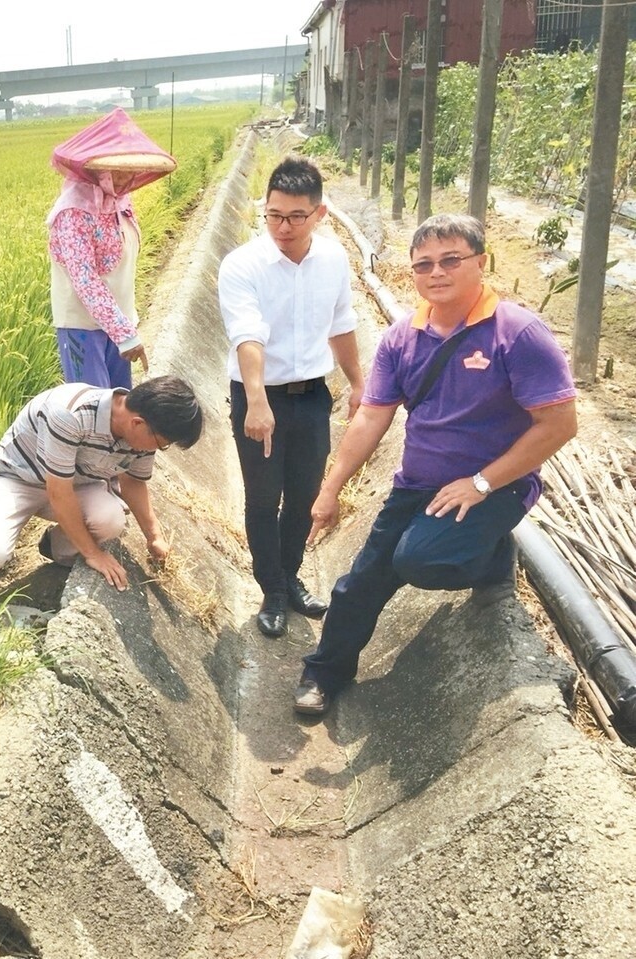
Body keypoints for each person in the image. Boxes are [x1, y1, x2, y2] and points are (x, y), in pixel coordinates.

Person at [293, 213, 577, 717]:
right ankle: (323, 674)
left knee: (418, 560)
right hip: (417, 485)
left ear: (480, 263)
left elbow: (559, 424)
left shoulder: (518, 333)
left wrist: (482, 482)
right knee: (358, 585)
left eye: (451, 260)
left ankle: (488, 551)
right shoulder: (403, 338)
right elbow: (370, 419)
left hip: (494, 485)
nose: (436, 273)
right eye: (423, 265)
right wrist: (330, 488)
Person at [218, 156, 364, 639]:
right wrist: (257, 401)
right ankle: (273, 590)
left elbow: (342, 323)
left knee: (303, 495)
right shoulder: (243, 265)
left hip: (311, 398)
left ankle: (292, 574)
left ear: (319, 214)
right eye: (273, 215)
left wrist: (358, 382)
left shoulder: (333, 259)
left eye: (295, 217)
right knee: (264, 497)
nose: (282, 227)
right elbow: (248, 336)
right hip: (258, 396)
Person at [0, 375, 203, 593]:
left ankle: (56, 548)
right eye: (162, 443)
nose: (159, 449)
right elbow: (58, 492)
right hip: (15, 479)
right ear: (138, 423)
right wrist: (94, 554)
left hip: (77, 483)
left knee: (111, 520)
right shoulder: (70, 414)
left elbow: (134, 483)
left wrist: (154, 537)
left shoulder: (142, 432)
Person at [49, 107, 176, 389]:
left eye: (128, 170)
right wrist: (124, 334)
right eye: (114, 170)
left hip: (118, 323)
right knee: (94, 411)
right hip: (83, 329)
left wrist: (124, 326)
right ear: (96, 169)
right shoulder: (73, 213)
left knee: (121, 405)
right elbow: (86, 281)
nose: (122, 178)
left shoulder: (121, 203)